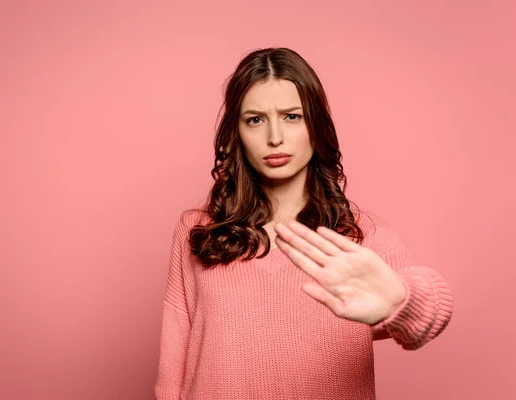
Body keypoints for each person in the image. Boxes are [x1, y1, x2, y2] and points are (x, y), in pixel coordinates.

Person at [154, 47, 453, 400]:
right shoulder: (199, 230)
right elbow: (172, 372)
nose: (275, 137)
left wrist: (401, 300)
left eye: (292, 116)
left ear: (316, 124)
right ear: (236, 133)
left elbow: (430, 306)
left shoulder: (358, 233)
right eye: (255, 119)